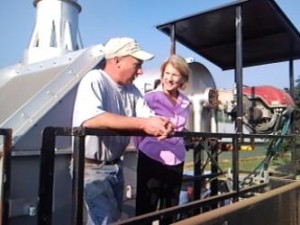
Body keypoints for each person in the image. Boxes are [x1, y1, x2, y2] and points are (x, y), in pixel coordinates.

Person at [72, 37, 173, 225]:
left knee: (109, 220)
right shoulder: (95, 79)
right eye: (137, 64)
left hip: (115, 167)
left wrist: (162, 123)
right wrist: (143, 124)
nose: (140, 71)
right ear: (116, 60)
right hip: (91, 168)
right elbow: (92, 119)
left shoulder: (132, 90)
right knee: (107, 221)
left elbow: (146, 116)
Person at [135, 54, 191, 224]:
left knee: (171, 208)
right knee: (146, 208)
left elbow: (181, 128)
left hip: (176, 160)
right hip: (153, 158)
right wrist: (144, 148)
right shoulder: (150, 98)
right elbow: (139, 128)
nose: (169, 78)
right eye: (167, 73)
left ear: (182, 78)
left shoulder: (186, 102)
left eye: (174, 74)